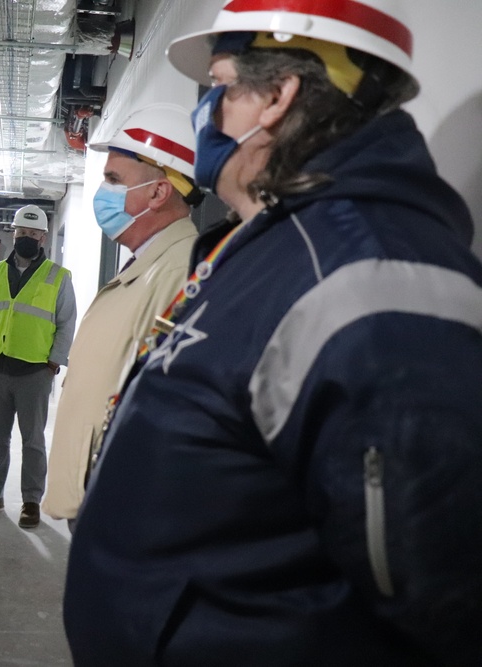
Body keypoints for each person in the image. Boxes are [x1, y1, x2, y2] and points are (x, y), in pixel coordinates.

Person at [65, 1, 482, 665]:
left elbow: (443, 594)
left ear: (278, 97)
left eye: (222, 86)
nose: (208, 112)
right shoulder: (267, 247)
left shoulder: (366, 274)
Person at [43, 104, 201, 528]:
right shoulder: (147, 264)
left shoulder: (179, 273)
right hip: (101, 490)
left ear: (158, 193)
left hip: (120, 498)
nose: (103, 191)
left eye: (114, 179)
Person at [0, 205, 76, 529]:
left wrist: (54, 362)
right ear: (14, 233)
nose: (27, 238)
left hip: (34, 371)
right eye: (21, 233)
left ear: (43, 237)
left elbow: (66, 323)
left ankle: (31, 500)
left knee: (33, 440)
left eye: (33, 234)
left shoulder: (58, 276)